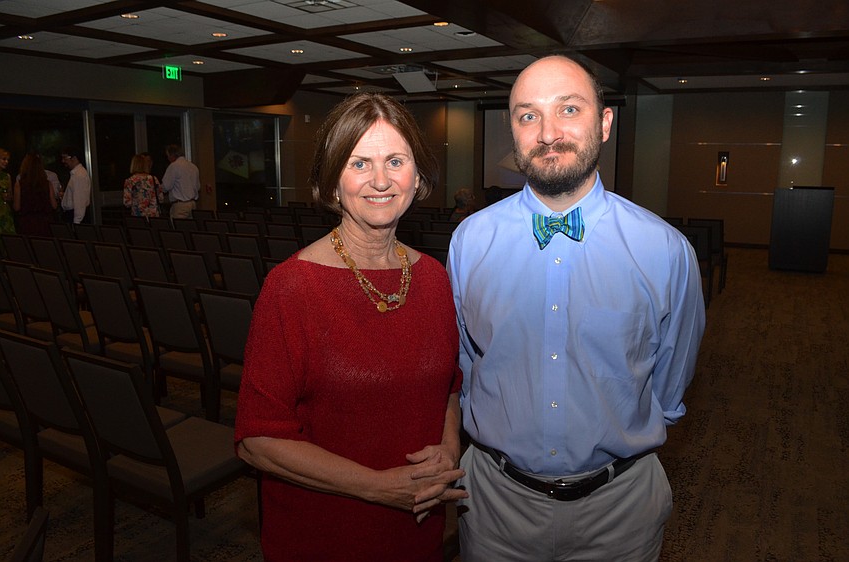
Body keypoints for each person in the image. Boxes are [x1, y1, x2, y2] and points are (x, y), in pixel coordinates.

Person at [448, 55, 706, 561]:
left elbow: (671, 386)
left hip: (620, 509)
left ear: (605, 123)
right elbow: (465, 364)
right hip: (494, 504)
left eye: (569, 109)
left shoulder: (666, 250)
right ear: (513, 130)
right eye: (528, 115)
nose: (547, 132)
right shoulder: (469, 241)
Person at [235, 93, 466, 562]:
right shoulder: (292, 287)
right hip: (325, 532)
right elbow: (256, 440)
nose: (380, 180)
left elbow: (449, 389)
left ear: (417, 176)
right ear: (332, 181)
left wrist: (449, 447)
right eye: (360, 163)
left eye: (395, 161)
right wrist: (379, 488)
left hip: (417, 526)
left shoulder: (434, 278)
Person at [13, 153, 59, 236]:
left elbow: (16, 207)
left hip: (27, 223)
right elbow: (54, 205)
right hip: (45, 222)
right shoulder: (47, 184)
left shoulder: (19, 184)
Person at [161, 144, 199, 219]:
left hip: (180, 205)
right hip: (192, 204)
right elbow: (198, 187)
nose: (168, 158)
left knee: (178, 228)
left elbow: (166, 186)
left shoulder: (174, 166)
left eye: (168, 156)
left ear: (172, 155)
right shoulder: (193, 166)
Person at [123, 153, 164, 217]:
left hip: (138, 216)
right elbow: (161, 198)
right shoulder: (153, 179)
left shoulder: (130, 181)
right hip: (153, 216)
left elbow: (127, 203)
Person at [59, 146, 91, 224]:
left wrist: (76, 223)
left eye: (65, 158)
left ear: (74, 158)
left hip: (74, 217)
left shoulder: (79, 175)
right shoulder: (75, 174)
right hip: (71, 215)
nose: (63, 161)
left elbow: (79, 202)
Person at [0, 148, 15, 234]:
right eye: (3, 159)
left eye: (7, 160)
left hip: (5, 212)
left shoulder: (7, 176)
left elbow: (10, 197)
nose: (6, 162)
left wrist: (7, 197)